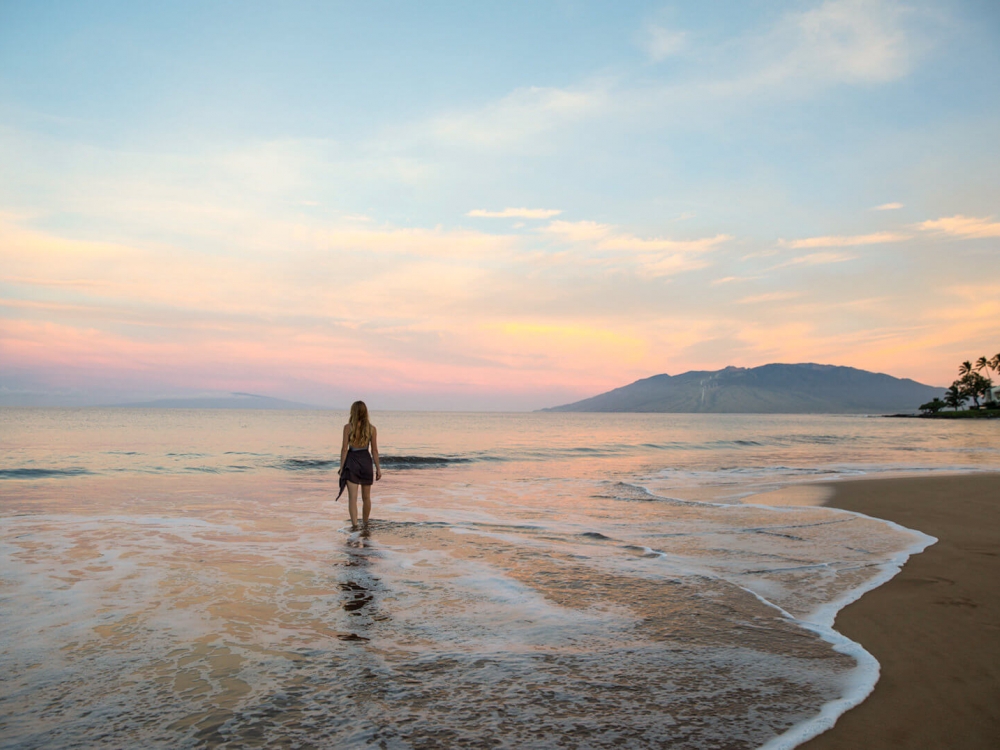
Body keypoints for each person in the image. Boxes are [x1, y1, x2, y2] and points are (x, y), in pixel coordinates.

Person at [337, 401, 381, 529]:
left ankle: (355, 526)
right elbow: (374, 450)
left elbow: (344, 449)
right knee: (366, 498)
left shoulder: (347, 428)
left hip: (352, 462)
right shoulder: (372, 429)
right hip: (366, 462)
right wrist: (378, 468)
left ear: (353, 412)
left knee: (352, 498)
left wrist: (341, 467)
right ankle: (365, 524)